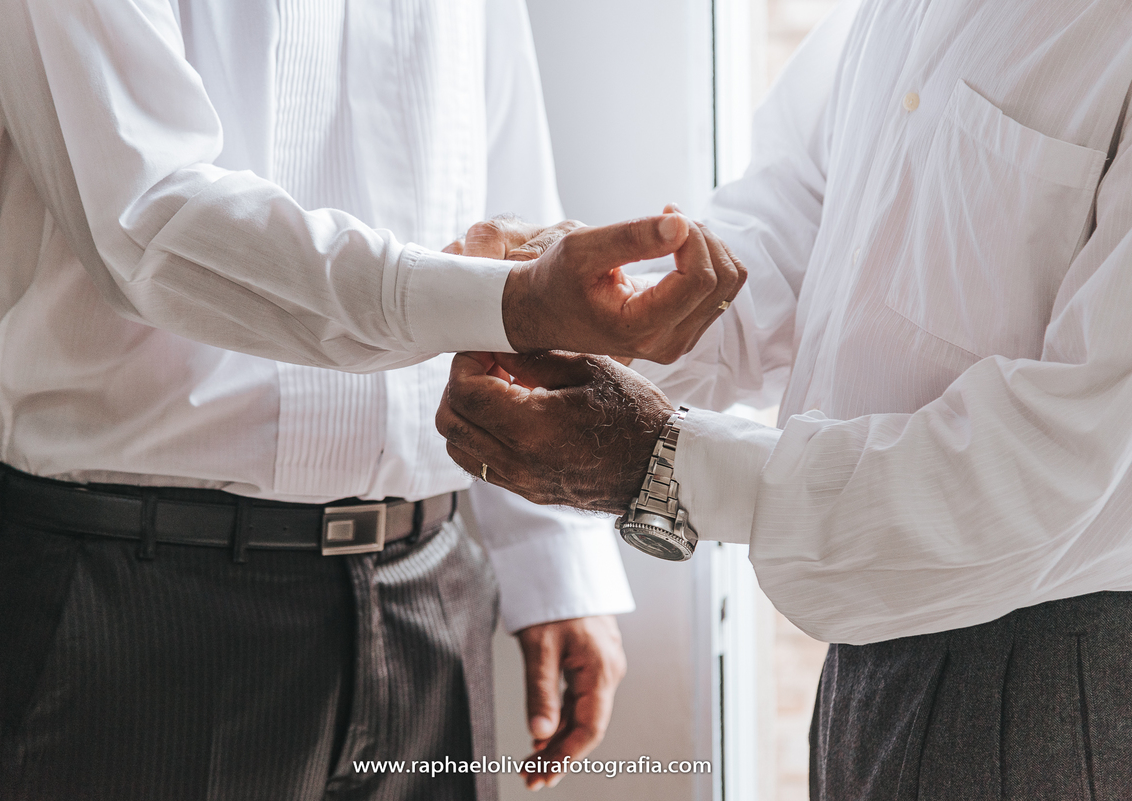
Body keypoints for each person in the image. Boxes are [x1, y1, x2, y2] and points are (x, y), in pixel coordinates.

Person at [0, 0, 743, 798]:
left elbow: (507, 189)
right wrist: (508, 303)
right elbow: (149, 221)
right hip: (133, 603)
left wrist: (551, 558)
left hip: (431, 583)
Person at [438, 0, 1132, 796]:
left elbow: (1067, 459)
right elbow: (792, 230)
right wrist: (590, 306)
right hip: (869, 671)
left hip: (1063, 682)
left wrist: (663, 463)